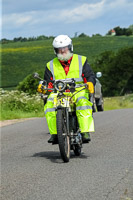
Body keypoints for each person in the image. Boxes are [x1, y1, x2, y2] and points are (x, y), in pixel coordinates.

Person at [38, 35, 96, 144]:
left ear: (70, 47)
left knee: (83, 102)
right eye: (59, 49)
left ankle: (85, 132)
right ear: (55, 51)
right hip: (60, 92)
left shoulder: (81, 60)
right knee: (50, 104)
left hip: (78, 91)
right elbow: (48, 82)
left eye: (65, 48)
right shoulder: (50, 65)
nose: (62, 51)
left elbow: (90, 75)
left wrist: (90, 82)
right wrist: (43, 87)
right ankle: (55, 134)